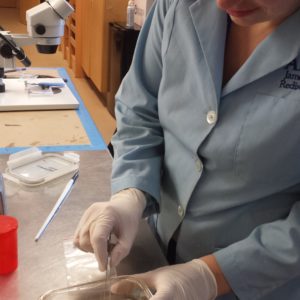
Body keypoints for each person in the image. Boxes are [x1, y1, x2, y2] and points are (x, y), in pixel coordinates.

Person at [74, 0, 300, 299]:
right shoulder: (176, 6)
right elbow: (140, 110)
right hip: (156, 248)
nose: (222, 3)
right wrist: (131, 193)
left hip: (258, 281)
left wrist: (211, 275)